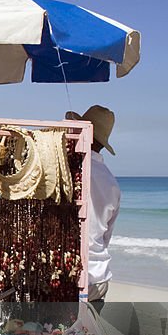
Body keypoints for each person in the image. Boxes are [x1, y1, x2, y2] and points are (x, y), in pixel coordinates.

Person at [65, 105, 120, 307]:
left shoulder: (66, 170)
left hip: (70, 278)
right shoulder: (112, 183)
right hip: (99, 277)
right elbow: (105, 236)